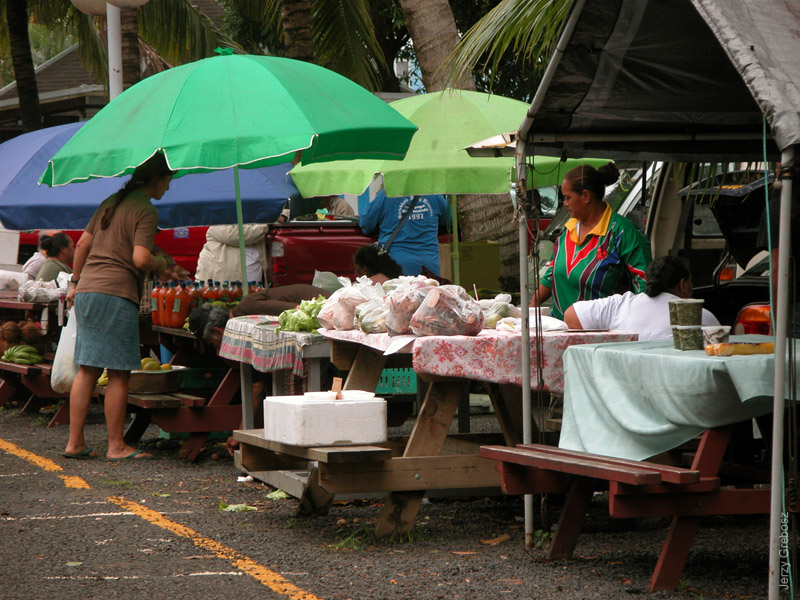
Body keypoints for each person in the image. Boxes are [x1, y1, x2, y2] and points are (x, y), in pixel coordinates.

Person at [63, 153, 176, 461]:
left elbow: (83, 245)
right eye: (168, 181)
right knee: (119, 373)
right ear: (155, 179)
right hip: (114, 293)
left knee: (87, 369)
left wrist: (74, 282)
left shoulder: (111, 201)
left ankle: (75, 443)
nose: (168, 187)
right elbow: (140, 258)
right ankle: (116, 446)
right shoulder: (145, 210)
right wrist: (159, 262)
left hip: (87, 290)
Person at [531, 163, 652, 320]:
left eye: (568, 198)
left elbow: (645, 286)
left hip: (605, 334)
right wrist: (532, 307)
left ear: (586, 196)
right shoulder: (568, 231)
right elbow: (551, 274)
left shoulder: (623, 233)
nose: (565, 204)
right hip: (560, 329)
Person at [563, 255, 720, 340]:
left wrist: (609, 346)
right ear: (683, 284)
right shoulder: (702, 317)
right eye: (690, 281)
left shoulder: (621, 304)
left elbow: (571, 315)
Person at [359, 190, 450, 276]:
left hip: (398, 268)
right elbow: (450, 222)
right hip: (432, 267)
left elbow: (365, 224)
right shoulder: (434, 194)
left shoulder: (387, 195)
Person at [195, 224, 269, 286]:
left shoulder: (256, 222)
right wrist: (264, 226)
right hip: (223, 283)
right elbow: (234, 235)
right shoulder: (219, 220)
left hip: (253, 286)